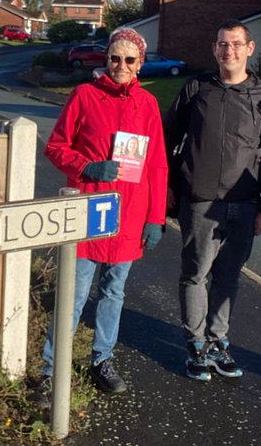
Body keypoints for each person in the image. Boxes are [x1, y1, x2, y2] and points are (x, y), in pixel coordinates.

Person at [41, 27, 168, 397]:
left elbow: (157, 165)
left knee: (114, 292)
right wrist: (87, 166)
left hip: (130, 214)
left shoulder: (147, 105)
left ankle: (102, 359)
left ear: (139, 64)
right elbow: (55, 146)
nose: (121, 65)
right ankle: (52, 367)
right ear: (106, 59)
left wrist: (156, 217)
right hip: (89, 209)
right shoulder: (84, 95)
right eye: (115, 58)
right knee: (75, 292)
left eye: (129, 60)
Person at [164, 19, 261, 381]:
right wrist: (169, 190)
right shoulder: (197, 88)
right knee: (196, 273)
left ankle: (218, 341)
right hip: (199, 200)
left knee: (228, 276)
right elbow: (169, 139)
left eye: (234, 44)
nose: (227, 50)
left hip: (244, 203)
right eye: (221, 44)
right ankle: (195, 343)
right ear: (215, 49)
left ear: (249, 49)